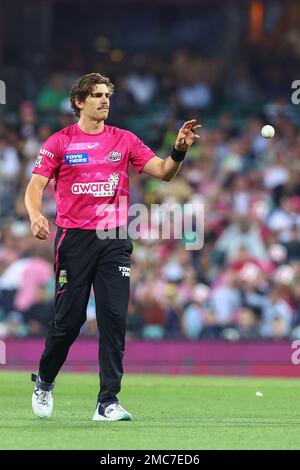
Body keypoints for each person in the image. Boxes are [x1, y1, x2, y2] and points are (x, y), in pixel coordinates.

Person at [25, 73, 200, 421]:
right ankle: (45, 381)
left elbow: (164, 172)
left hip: (114, 239)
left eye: (107, 95)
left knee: (114, 318)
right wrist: (35, 215)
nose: (105, 101)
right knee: (69, 321)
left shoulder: (124, 140)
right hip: (74, 240)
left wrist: (178, 149)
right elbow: (35, 187)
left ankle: (107, 402)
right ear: (79, 102)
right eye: (96, 95)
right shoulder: (59, 142)